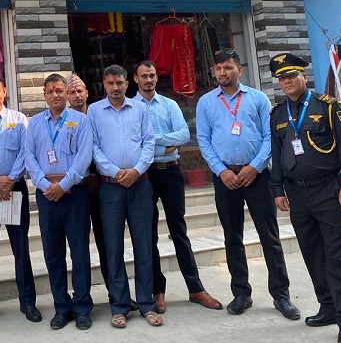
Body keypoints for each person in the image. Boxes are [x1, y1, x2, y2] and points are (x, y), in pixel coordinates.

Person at [195, 50, 300, 320]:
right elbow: (204, 140)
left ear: (239, 70)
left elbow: (269, 137)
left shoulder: (258, 98)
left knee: (270, 237)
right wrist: (221, 171)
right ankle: (241, 293)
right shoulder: (206, 102)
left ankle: (281, 295)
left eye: (228, 67)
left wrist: (255, 166)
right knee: (232, 237)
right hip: (225, 178)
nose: (222, 73)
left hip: (257, 176)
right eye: (218, 68)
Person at [269, 53, 341, 343]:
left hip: (329, 190)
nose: (287, 81)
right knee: (312, 254)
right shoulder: (278, 114)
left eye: (291, 76)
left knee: (338, 256)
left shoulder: (328, 106)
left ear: (303, 76)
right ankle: (328, 307)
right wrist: (277, 189)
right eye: (282, 78)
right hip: (297, 194)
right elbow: (277, 153)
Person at [133, 61, 222, 313]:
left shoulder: (169, 105)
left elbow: (183, 135)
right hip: (144, 175)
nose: (149, 80)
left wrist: (151, 141)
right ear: (136, 79)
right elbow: (132, 141)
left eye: (152, 75)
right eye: (144, 76)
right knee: (148, 235)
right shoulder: (130, 108)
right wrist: (164, 144)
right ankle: (157, 291)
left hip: (171, 172)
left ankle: (195, 288)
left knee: (179, 231)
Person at [88, 65, 161, 329]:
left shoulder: (139, 109)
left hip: (140, 185)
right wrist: (116, 172)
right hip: (111, 188)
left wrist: (136, 170)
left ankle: (146, 304)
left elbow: (149, 143)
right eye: (110, 83)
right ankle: (119, 305)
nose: (115, 87)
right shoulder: (94, 111)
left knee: (144, 245)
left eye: (119, 82)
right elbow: (93, 147)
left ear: (127, 84)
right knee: (113, 248)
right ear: (104, 85)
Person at [24, 74, 94, 331]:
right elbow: (29, 157)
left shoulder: (81, 121)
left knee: (79, 252)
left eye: (59, 90)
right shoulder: (34, 123)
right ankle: (62, 307)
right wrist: (46, 186)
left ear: (66, 93)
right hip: (46, 197)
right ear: (44, 94)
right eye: (50, 91)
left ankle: (83, 307)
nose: (55, 95)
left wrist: (63, 186)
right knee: (53, 253)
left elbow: (84, 158)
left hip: (75, 194)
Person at [0, 75, 42, 326]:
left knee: (20, 248)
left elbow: (27, 152)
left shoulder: (19, 119)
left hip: (15, 188)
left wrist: (10, 180)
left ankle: (27, 301)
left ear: (5, 92)